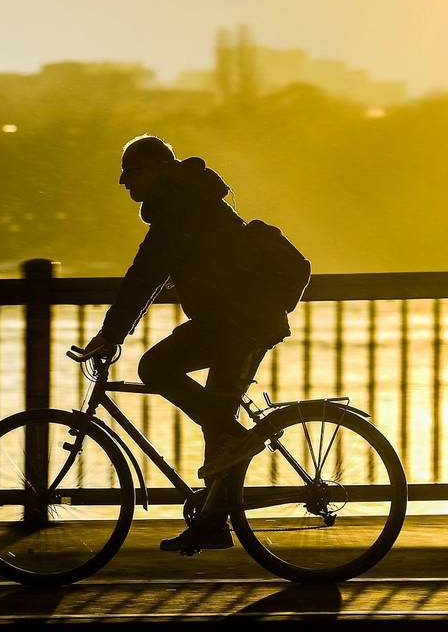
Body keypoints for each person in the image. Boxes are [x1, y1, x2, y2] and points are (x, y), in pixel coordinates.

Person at [79, 136, 294, 553]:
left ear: (157, 169)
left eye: (131, 170)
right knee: (216, 423)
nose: (123, 180)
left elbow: (145, 274)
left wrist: (110, 335)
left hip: (243, 323)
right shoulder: (186, 199)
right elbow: (151, 275)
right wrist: (113, 333)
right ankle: (214, 520)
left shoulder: (181, 208)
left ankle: (232, 441)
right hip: (230, 322)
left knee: (156, 369)